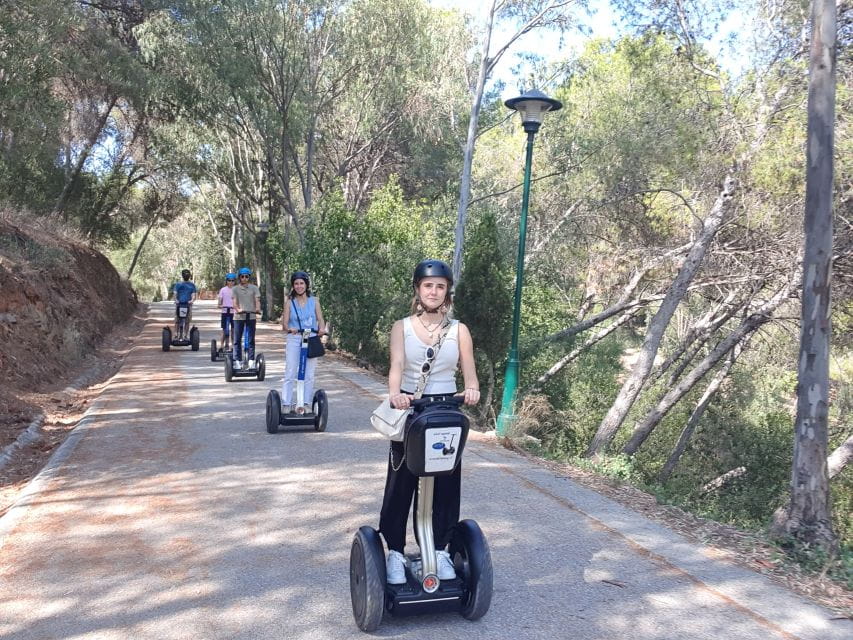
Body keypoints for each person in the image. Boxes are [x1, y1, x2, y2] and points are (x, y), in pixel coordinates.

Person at [379, 259, 480, 585]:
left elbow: (470, 373)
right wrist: (396, 393)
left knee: (447, 484)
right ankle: (395, 551)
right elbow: (396, 365)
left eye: (440, 286)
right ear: (418, 289)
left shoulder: (459, 330)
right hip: (411, 410)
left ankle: (437, 550)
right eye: (428, 285)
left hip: (447, 412)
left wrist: (473, 390)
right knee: (401, 483)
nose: (434, 291)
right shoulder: (402, 327)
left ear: (447, 291)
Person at [280, 270, 327, 413]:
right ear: (293, 286)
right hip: (294, 338)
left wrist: (322, 329)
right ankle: (286, 404)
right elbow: (284, 324)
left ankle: (305, 403)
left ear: (306, 285)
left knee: (309, 374)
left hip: (311, 338)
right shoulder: (289, 303)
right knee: (290, 371)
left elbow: (320, 319)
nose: (299, 286)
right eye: (296, 284)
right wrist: (290, 328)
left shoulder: (315, 301)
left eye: (302, 283)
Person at [231, 267, 261, 369]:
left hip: (251, 316)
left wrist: (257, 309)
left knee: (251, 339)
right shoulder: (235, 289)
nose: (244, 278)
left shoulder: (254, 288)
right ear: (239, 277)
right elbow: (234, 302)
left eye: (246, 276)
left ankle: (251, 361)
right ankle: (237, 361)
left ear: (249, 277)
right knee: (237, 340)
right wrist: (237, 309)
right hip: (238, 317)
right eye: (242, 276)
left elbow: (257, 300)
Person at [172, 269, 197, 338]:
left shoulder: (192, 285)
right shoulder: (178, 284)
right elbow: (175, 294)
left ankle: (186, 335)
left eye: (187, 274)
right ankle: (176, 334)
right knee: (177, 320)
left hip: (188, 305)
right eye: (185, 274)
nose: (186, 276)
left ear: (189, 276)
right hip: (179, 305)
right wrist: (176, 300)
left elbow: (193, 295)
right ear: (183, 276)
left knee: (187, 320)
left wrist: (191, 300)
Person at [217, 272, 236, 352]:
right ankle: (221, 345)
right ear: (226, 281)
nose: (231, 282)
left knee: (233, 330)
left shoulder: (236, 290)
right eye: (229, 280)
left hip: (234, 313)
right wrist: (221, 305)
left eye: (232, 280)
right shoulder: (223, 290)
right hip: (225, 312)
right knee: (224, 330)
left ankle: (233, 346)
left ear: (234, 281)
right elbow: (219, 303)